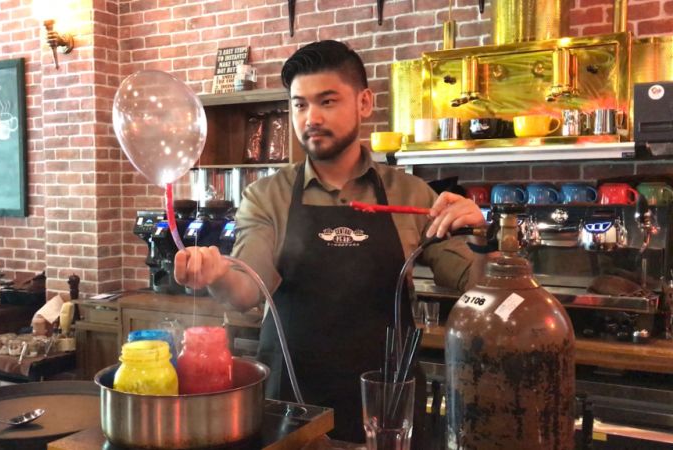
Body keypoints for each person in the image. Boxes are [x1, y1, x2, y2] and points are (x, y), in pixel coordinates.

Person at [174, 40, 490, 443]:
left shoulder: (410, 193)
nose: (312, 118)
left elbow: (475, 287)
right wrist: (217, 273)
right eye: (299, 105)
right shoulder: (267, 196)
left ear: (364, 103)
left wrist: (481, 237)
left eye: (327, 101)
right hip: (291, 407)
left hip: (386, 406)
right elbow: (248, 288)